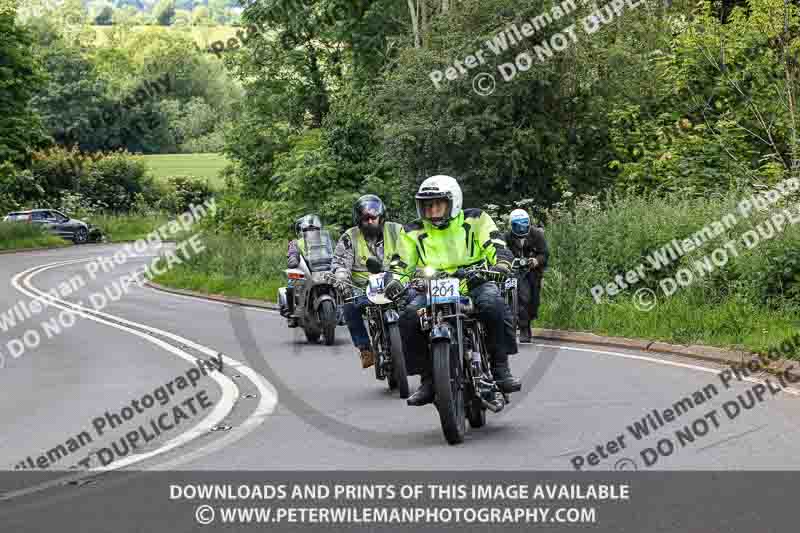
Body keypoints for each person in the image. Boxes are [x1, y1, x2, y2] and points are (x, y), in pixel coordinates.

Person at [397, 175, 521, 406]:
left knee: (493, 304)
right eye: (427, 205)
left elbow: (495, 243)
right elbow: (400, 263)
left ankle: (500, 368)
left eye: (437, 204)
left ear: (452, 202)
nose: (432, 210)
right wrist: (393, 280)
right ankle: (428, 380)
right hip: (432, 286)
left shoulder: (476, 219)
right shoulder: (412, 230)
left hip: (474, 281)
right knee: (409, 316)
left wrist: (501, 263)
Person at [331, 195, 405, 369]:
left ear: (382, 216)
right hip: (363, 288)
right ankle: (365, 348)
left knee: (415, 309)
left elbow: (410, 253)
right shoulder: (350, 237)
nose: (370, 221)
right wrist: (341, 276)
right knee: (348, 304)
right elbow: (340, 262)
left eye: (373, 217)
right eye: (365, 219)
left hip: (395, 282)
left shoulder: (397, 230)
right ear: (359, 220)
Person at [504, 209, 549, 343]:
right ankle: (521, 327)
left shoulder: (537, 234)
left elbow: (545, 253)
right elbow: (499, 251)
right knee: (521, 297)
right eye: (518, 225)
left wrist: (536, 260)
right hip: (513, 271)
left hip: (532, 272)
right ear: (511, 225)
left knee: (533, 301)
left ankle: (527, 323)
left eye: (524, 224)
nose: (522, 228)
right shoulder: (506, 237)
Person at [282, 214, 323, 327]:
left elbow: (333, 252)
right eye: (308, 230)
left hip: (322, 271)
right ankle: (292, 314)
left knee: (341, 282)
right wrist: (292, 258)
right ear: (301, 231)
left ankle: (341, 310)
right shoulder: (295, 243)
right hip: (303, 271)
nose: (311, 232)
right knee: (291, 285)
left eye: (314, 229)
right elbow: (292, 252)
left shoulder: (324, 242)